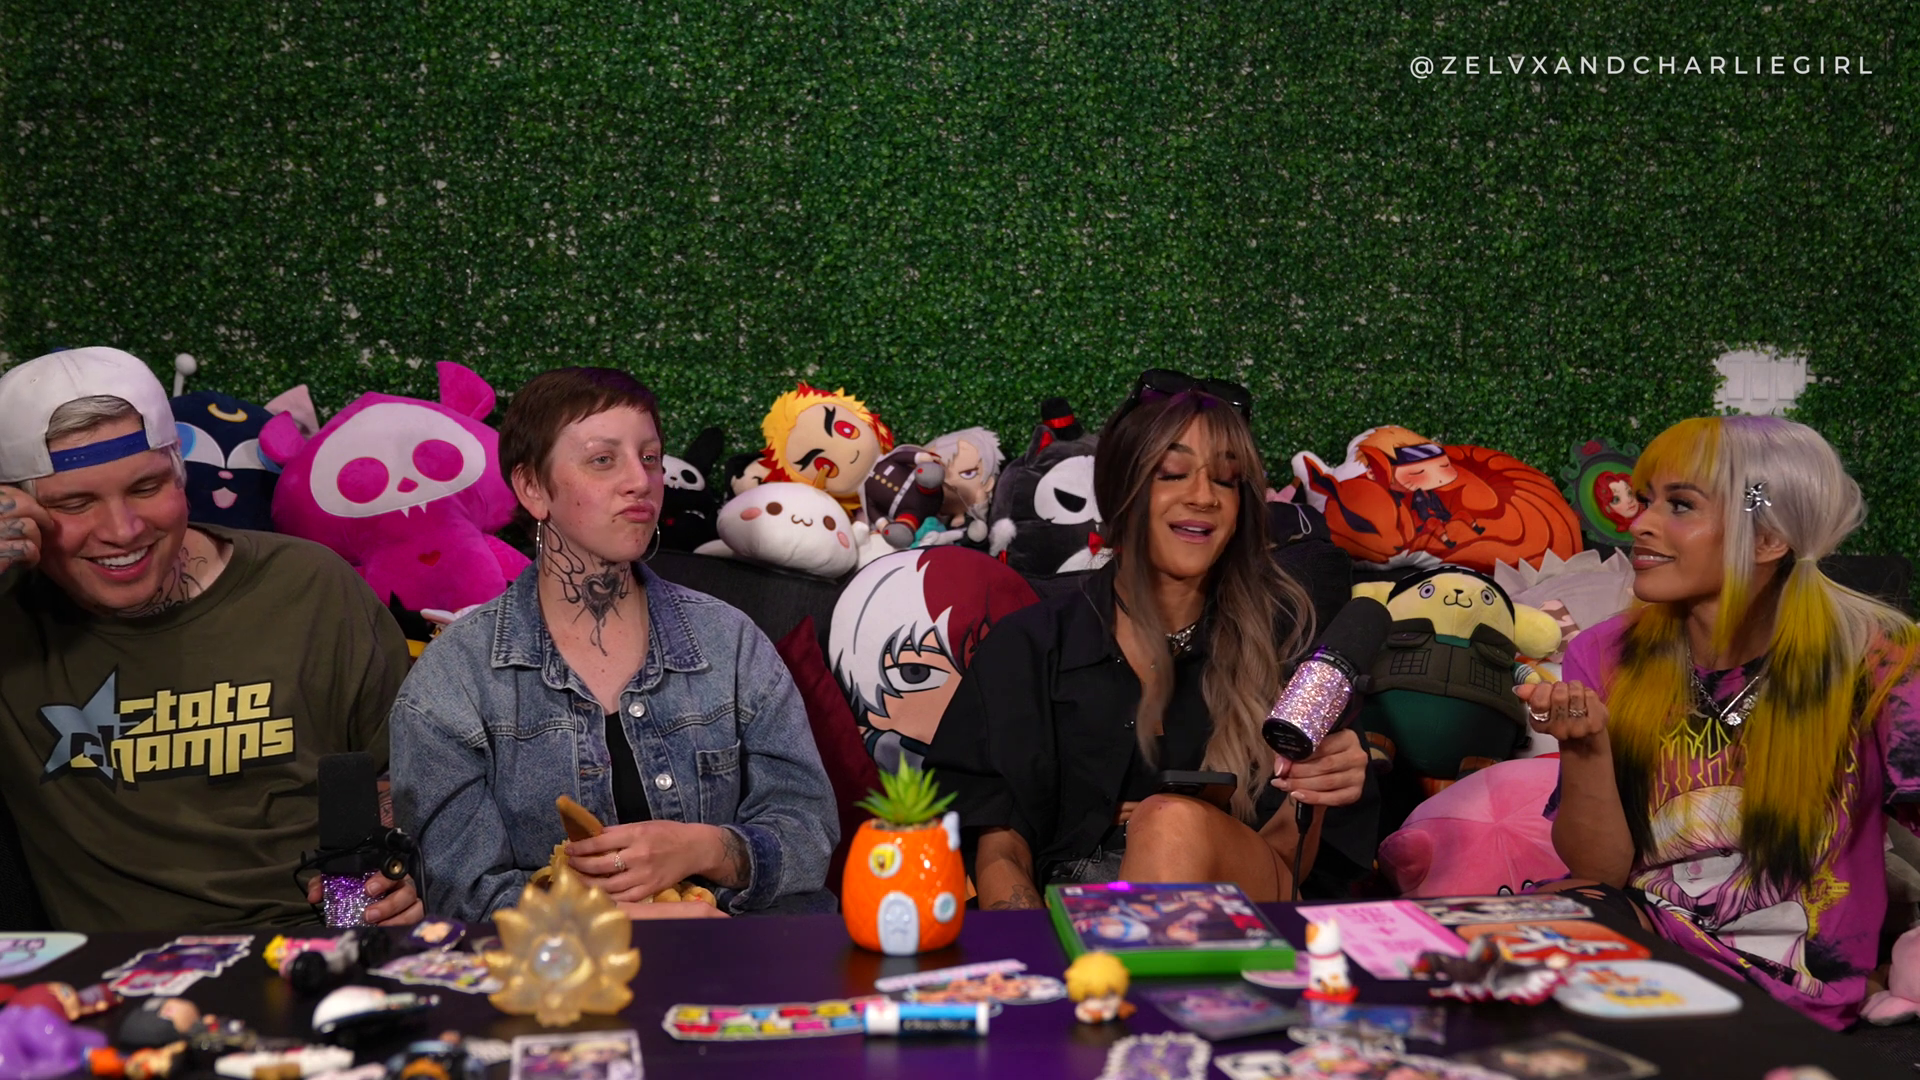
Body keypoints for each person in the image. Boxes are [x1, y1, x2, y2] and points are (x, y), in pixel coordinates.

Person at [390, 367, 838, 921]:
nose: (639, 481)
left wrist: (703, 849)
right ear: (532, 488)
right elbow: (459, 891)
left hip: (737, 956)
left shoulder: (730, 642)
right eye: (603, 459)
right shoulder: (453, 680)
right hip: (557, 969)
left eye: (649, 458)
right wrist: (621, 922)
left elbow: (808, 832)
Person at [0, 347, 420, 931]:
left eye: (146, 487)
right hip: (113, 975)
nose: (123, 529)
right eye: (75, 503)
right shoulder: (11, 617)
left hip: (319, 949)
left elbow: (394, 775)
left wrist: (385, 885)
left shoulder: (309, 587)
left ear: (181, 474)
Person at [1526, 415, 1920, 1030]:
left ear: (1767, 539)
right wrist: (1587, 749)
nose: (1639, 524)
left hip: (1793, 984)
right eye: (1646, 500)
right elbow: (1599, 873)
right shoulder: (1602, 653)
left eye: (1680, 504)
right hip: (1647, 938)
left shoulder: (1881, 657)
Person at [926, 369, 1370, 909]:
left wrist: (1316, 794)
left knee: (1168, 822)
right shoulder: (1028, 646)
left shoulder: (1290, 651)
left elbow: (1286, 866)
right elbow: (998, 849)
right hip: (1066, 924)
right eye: (1173, 473)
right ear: (1121, 492)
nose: (1203, 496)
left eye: (1226, 480)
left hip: (1241, 914)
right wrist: (1038, 949)